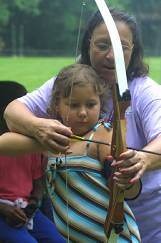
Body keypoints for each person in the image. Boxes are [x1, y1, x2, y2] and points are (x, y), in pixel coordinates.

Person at [4, 7, 161, 242]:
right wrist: (40, 128)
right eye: (102, 45)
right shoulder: (73, 82)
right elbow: (12, 112)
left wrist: (142, 160)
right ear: (88, 44)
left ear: (133, 51)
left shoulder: (145, 91)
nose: (111, 56)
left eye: (121, 48)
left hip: (148, 222)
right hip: (84, 229)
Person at [0, 64, 141, 242]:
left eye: (91, 104)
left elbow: (128, 189)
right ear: (57, 105)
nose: (83, 113)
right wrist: (44, 140)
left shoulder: (101, 134)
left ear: (100, 103)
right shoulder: (52, 138)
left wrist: (126, 177)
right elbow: (3, 144)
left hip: (114, 237)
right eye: (73, 105)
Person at [0, 81, 65, 243]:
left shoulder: (29, 145)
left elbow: (37, 182)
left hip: (26, 209)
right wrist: (3, 208)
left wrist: (33, 204)